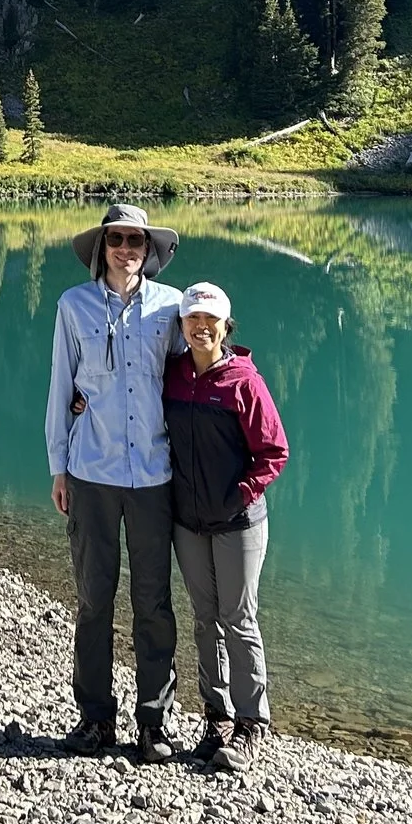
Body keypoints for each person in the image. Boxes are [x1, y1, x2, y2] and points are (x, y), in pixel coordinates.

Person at [45, 201, 185, 761]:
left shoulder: (172, 309)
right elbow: (61, 387)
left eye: (136, 240)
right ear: (101, 247)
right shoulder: (73, 306)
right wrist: (58, 465)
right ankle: (95, 719)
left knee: (154, 600)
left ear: (149, 250)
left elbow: (191, 380)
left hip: (154, 474)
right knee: (93, 599)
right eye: (117, 240)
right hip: (91, 473)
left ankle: (155, 720)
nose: (126, 249)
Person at [163, 280, 287, 771]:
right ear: (182, 325)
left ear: (225, 326)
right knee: (203, 617)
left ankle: (252, 724)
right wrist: (80, 403)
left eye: (210, 320)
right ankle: (216, 717)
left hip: (237, 523)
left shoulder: (243, 382)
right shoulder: (172, 376)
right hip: (189, 523)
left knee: (239, 618)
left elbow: (274, 452)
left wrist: (238, 494)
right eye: (192, 319)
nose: (200, 327)